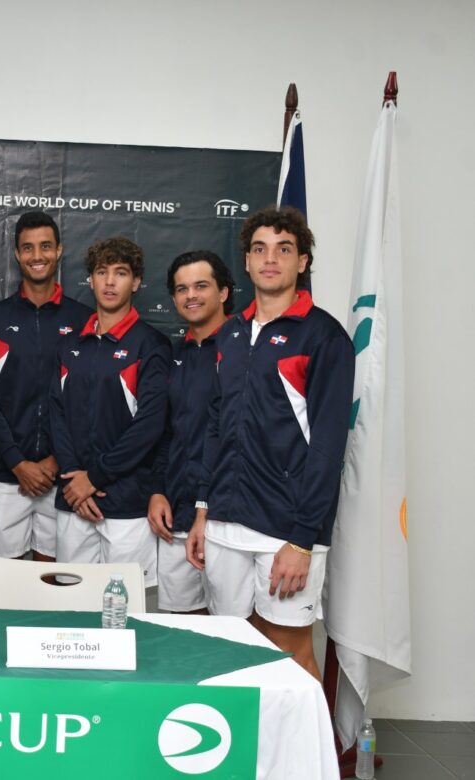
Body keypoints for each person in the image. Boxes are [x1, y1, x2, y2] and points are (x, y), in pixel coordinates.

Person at [187, 206, 353, 679]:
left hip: (287, 527)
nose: (270, 259)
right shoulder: (231, 333)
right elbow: (215, 426)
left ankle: (307, 737)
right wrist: (202, 509)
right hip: (224, 522)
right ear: (246, 261)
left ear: (303, 261)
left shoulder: (324, 337)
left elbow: (328, 446)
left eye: (284, 249)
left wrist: (302, 540)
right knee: (229, 649)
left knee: (289, 653)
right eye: (260, 249)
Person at [0, 212, 91, 561]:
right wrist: (17, 462)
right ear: (17, 254)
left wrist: (55, 460)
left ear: (59, 251)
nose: (37, 255)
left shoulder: (83, 320)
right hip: (3, 476)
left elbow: (87, 403)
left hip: (63, 475)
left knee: (53, 581)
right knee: (1, 581)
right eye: (28, 248)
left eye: (45, 246)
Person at [50, 237, 169, 586]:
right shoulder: (69, 345)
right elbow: (57, 415)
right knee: (70, 604)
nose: (110, 281)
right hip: (74, 499)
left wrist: (96, 477)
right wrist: (75, 477)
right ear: (91, 279)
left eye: (121, 273)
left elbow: (149, 425)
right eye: (102, 272)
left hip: (127, 504)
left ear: (136, 282)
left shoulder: (150, 344)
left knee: (125, 607)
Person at [146, 250, 232, 614]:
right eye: (182, 289)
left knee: (235, 630)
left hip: (227, 517)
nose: (191, 295)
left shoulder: (243, 349)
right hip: (177, 516)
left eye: (201, 286)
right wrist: (157, 490)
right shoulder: (173, 354)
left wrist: (206, 506)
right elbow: (166, 432)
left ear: (223, 292)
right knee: (181, 629)